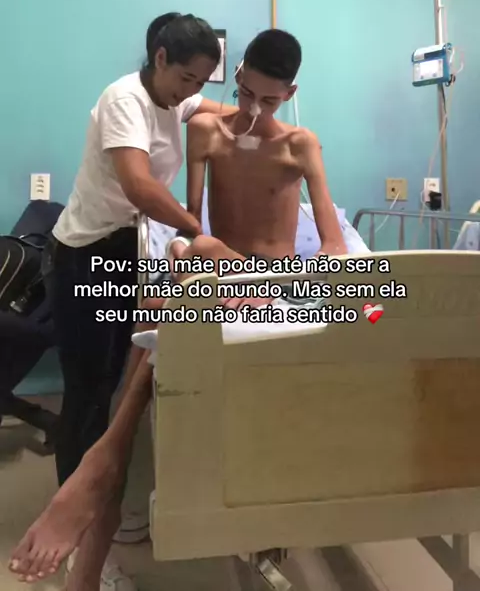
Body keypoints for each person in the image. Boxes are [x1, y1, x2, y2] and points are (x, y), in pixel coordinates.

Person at [10, 28, 347, 587]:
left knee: (158, 327)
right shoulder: (199, 130)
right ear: (234, 78)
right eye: (245, 94)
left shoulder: (299, 143)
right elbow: (182, 220)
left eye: (269, 100)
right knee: (160, 311)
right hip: (188, 269)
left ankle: (100, 470)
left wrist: (294, 280)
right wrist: (197, 253)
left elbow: (333, 244)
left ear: (290, 94)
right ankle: (101, 486)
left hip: (276, 281)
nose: (253, 110)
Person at [40, 11, 235, 591]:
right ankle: (79, 540)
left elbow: (218, 111)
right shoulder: (124, 99)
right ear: (160, 59)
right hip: (83, 256)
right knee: (87, 396)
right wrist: (195, 229)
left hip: (123, 248)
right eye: (187, 78)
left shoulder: (176, 97)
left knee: (115, 386)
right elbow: (139, 186)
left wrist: (256, 111)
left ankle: (105, 511)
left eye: (201, 81)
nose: (191, 91)